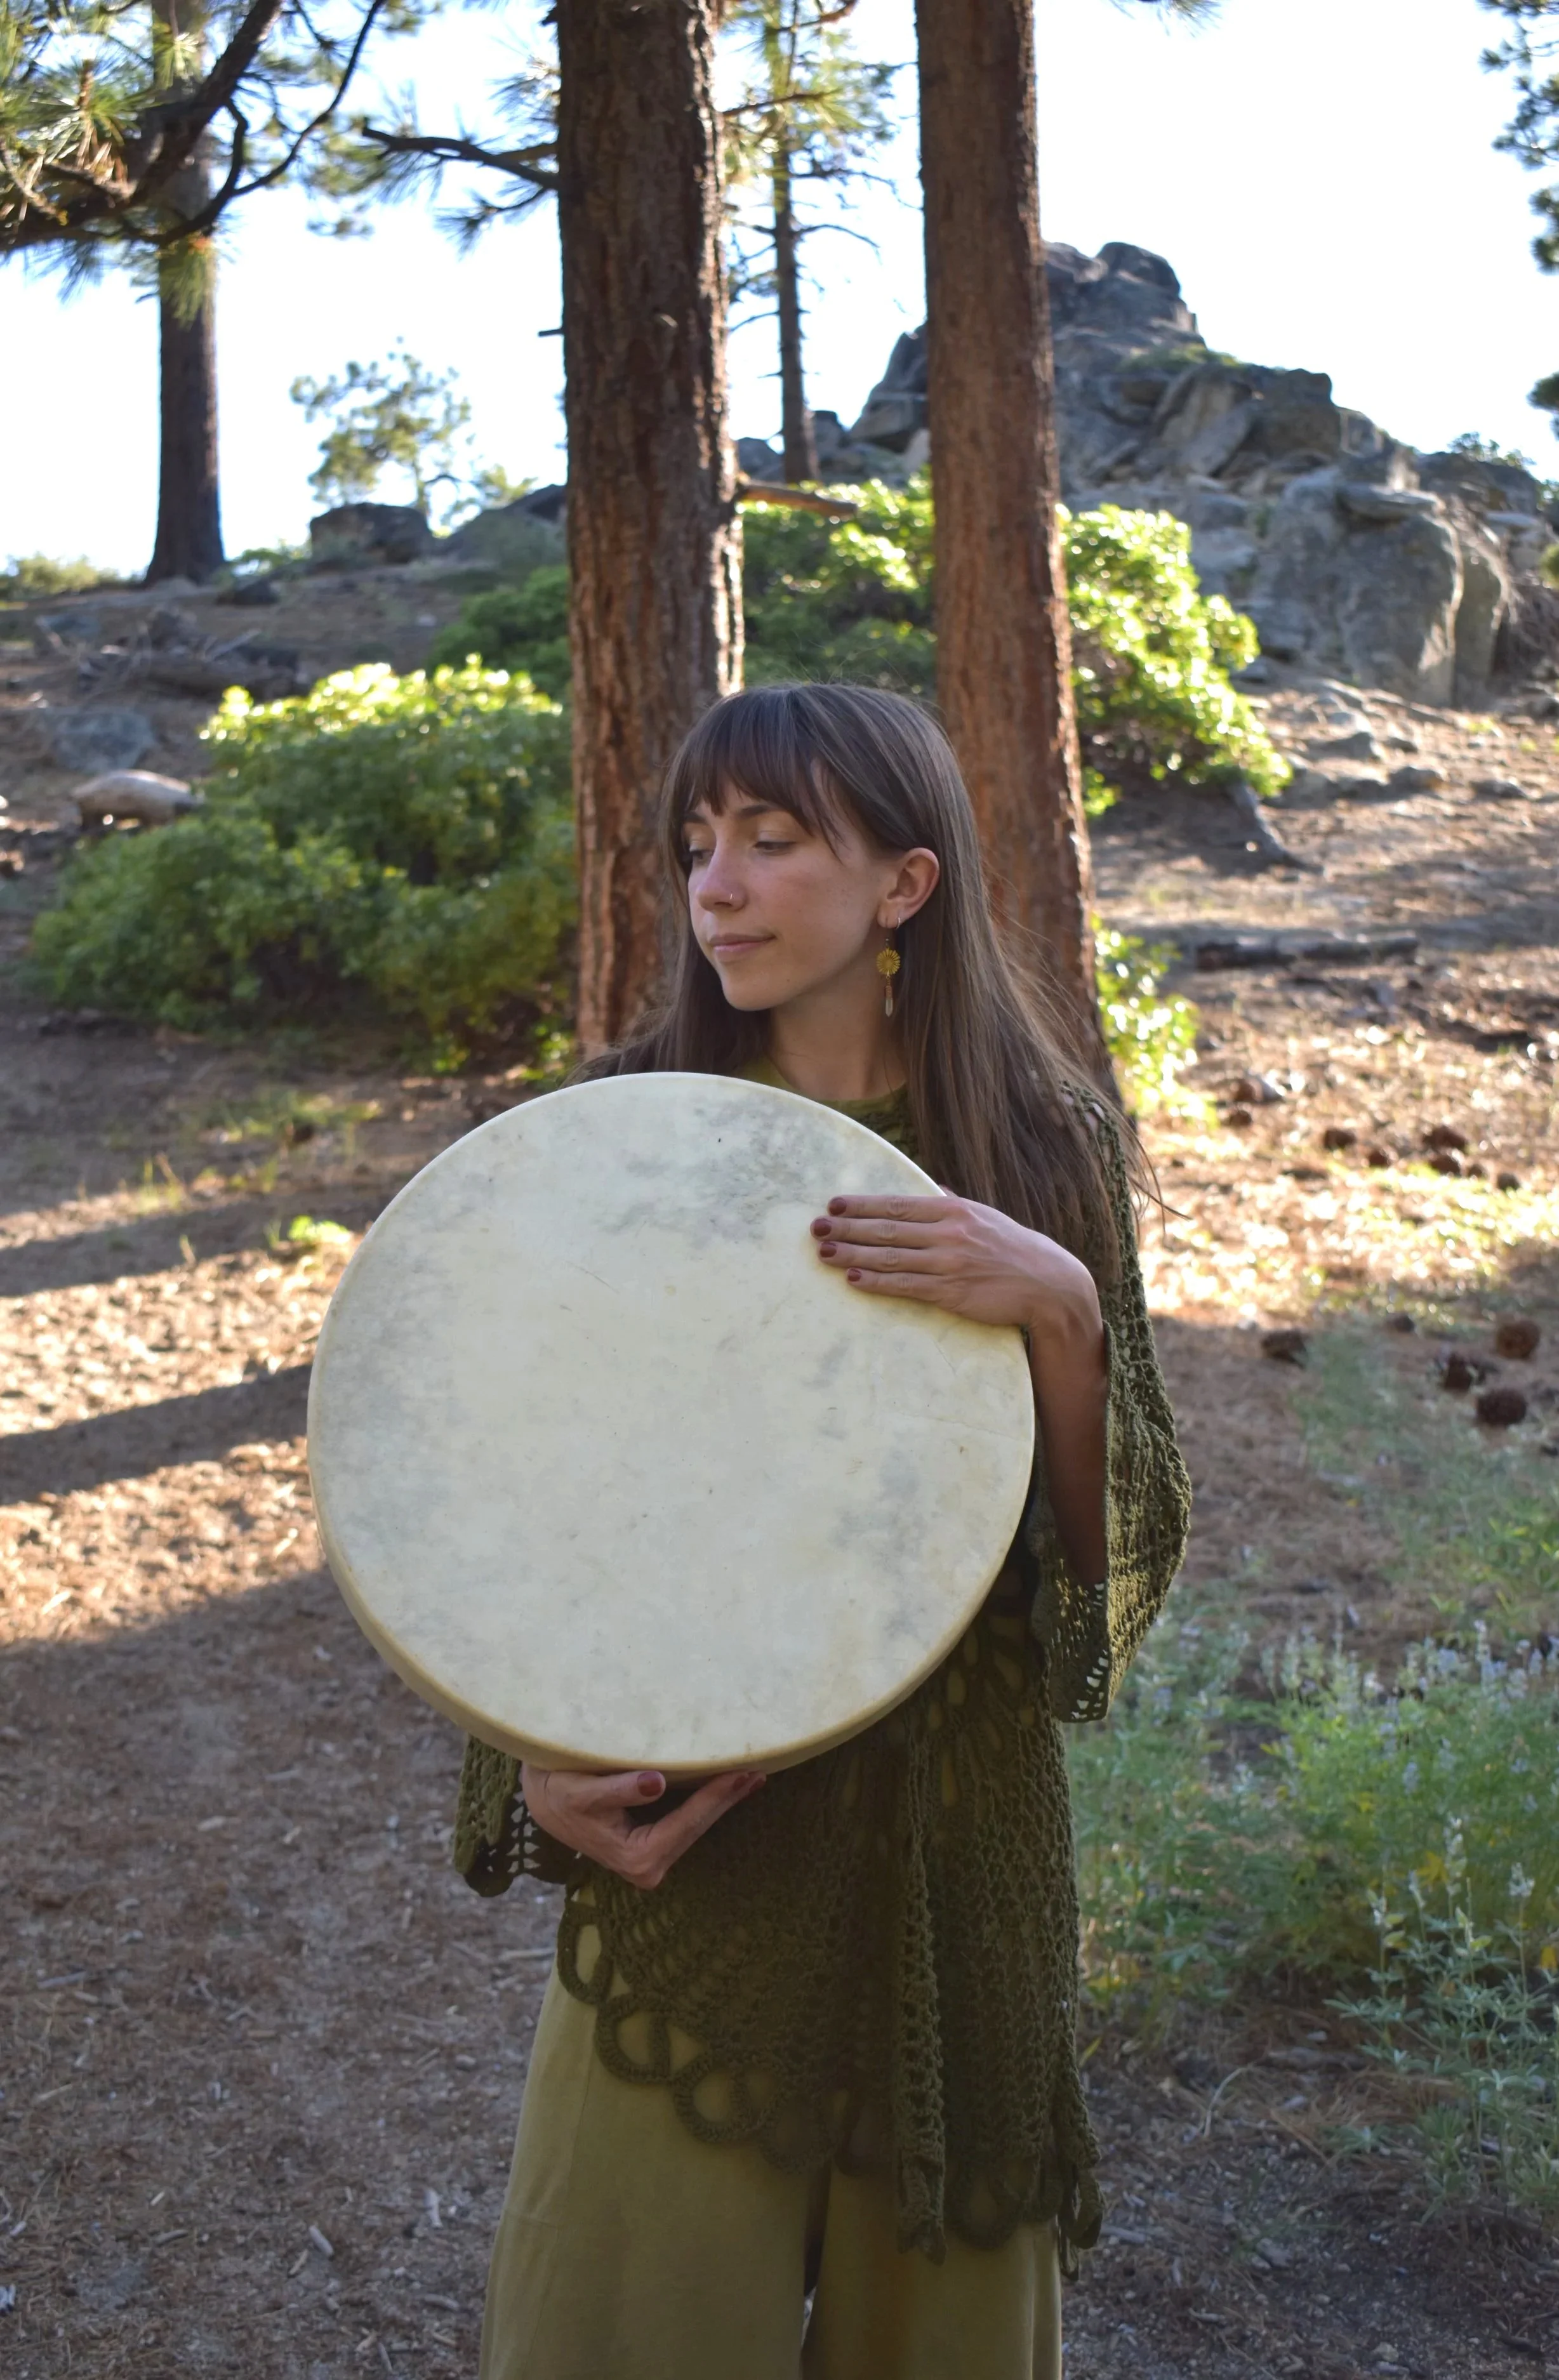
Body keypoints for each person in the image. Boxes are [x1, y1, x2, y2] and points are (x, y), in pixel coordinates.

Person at [453, 682, 1190, 2380]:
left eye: (773, 840)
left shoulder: (1038, 1150)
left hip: (961, 1849)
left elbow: (1105, 1582)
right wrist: (523, 1763)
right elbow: (511, 1513)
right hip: (700, 1864)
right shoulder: (625, 1143)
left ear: (903, 885)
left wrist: (1062, 1313)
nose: (714, 881)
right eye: (700, 842)